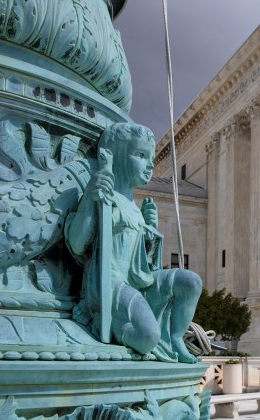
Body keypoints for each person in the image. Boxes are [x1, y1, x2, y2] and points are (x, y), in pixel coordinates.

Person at [65, 122, 202, 363]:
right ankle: (103, 323)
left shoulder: (135, 209)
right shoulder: (104, 196)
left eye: (150, 157)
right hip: (111, 284)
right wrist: (89, 198)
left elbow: (146, 263)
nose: (150, 163)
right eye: (140, 155)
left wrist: (151, 230)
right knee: (147, 337)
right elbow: (78, 244)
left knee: (190, 282)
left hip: (139, 281)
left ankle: (176, 338)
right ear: (115, 157)